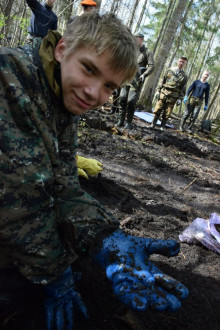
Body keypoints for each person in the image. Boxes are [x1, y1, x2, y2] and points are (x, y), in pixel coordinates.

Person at [0, 12, 188, 329]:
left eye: (109, 87)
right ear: (62, 49)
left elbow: (64, 187)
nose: (93, 93)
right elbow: (15, 202)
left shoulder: (59, 93)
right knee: (21, 289)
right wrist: (55, 274)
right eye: (89, 69)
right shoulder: (8, 78)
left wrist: (106, 238)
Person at [117, 32, 154, 129]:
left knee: (131, 101)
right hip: (126, 78)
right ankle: (120, 120)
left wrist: (144, 74)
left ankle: (128, 122)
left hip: (137, 81)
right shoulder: (131, 50)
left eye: (136, 39)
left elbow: (151, 66)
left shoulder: (147, 52)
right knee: (122, 98)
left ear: (141, 40)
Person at [151, 57, 188, 131]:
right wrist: (158, 91)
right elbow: (162, 80)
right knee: (158, 109)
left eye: (183, 62)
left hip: (173, 96)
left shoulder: (184, 76)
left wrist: (180, 99)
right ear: (177, 61)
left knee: (167, 112)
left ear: (185, 64)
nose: (181, 63)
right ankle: (153, 124)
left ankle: (162, 126)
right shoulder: (169, 70)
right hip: (164, 93)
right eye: (180, 61)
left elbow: (183, 88)